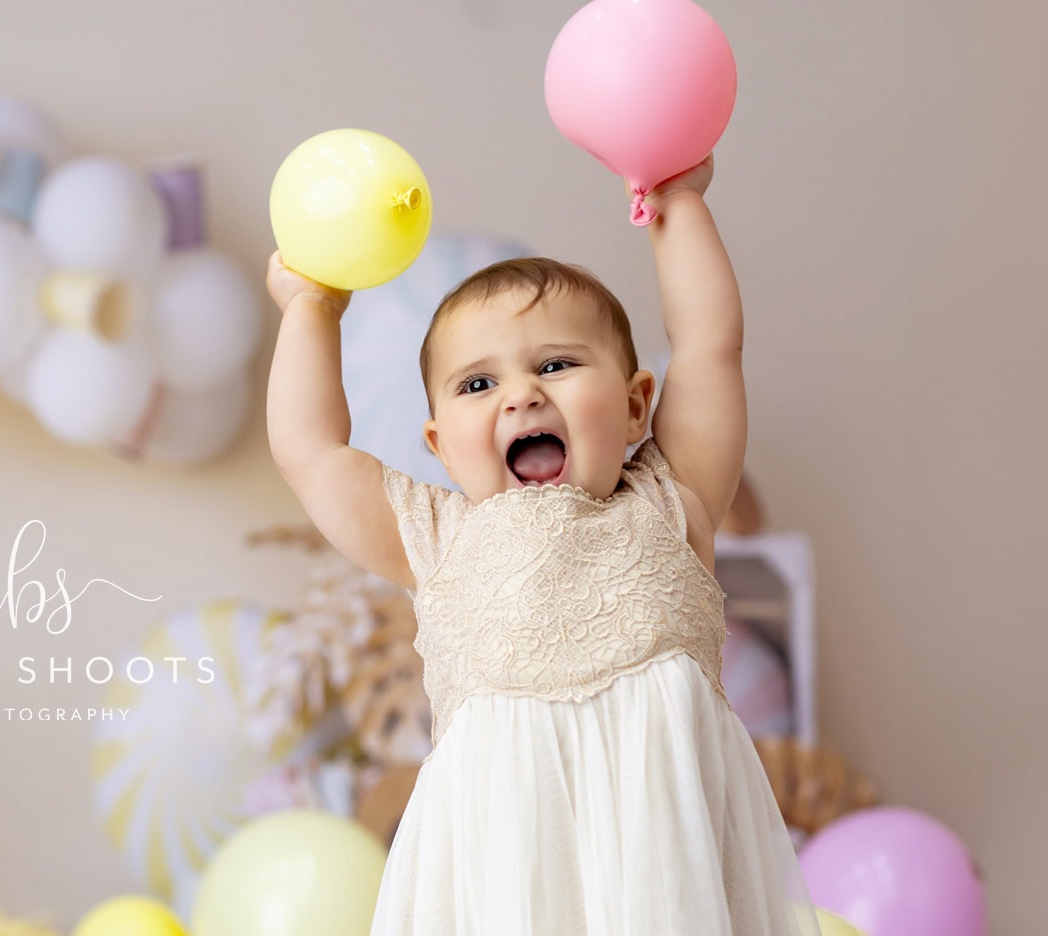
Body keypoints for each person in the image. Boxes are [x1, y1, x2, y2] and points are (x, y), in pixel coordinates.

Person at [265, 154, 821, 935]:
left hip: (662, 866)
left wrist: (675, 203)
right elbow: (311, 452)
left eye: (556, 365)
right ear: (437, 442)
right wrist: (309, 309)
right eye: (476, 385)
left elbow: (707, 345)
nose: (522, 393)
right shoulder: (434, 536)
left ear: (634, 409)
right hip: (509, 880)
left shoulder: (671, 496)